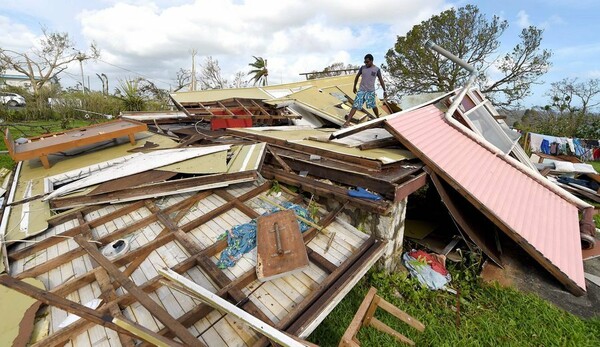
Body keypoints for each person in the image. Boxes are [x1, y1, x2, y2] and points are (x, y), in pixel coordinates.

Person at [343, 53, 387, 127]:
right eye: (365, 62)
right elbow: (357, 76)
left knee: (373, 106)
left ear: (371, 61)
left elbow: (381, 80)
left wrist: (384, 90)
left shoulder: (376, 69)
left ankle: (378, 118)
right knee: (355, 105)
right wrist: (354, 87)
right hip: (361, 90)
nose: (366, 63)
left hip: (370, 91)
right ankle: (347, 122)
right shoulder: (363, 68)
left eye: (367, 62)